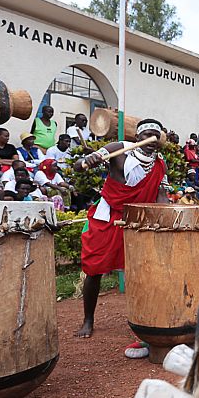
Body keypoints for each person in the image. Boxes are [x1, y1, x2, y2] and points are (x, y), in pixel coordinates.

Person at [74, 119, 168, 340]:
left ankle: (145, 318)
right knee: (94, 268)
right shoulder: (119, 149)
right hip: (108, 216)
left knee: (142, 270)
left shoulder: (160, 163)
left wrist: (165, 217)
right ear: (137, 137)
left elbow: (160, 195)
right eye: (147, 135)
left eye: (156, 136)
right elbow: (80, 167)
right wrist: (91, 159)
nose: (151, 140)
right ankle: (88, 319)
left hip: (136, 220)